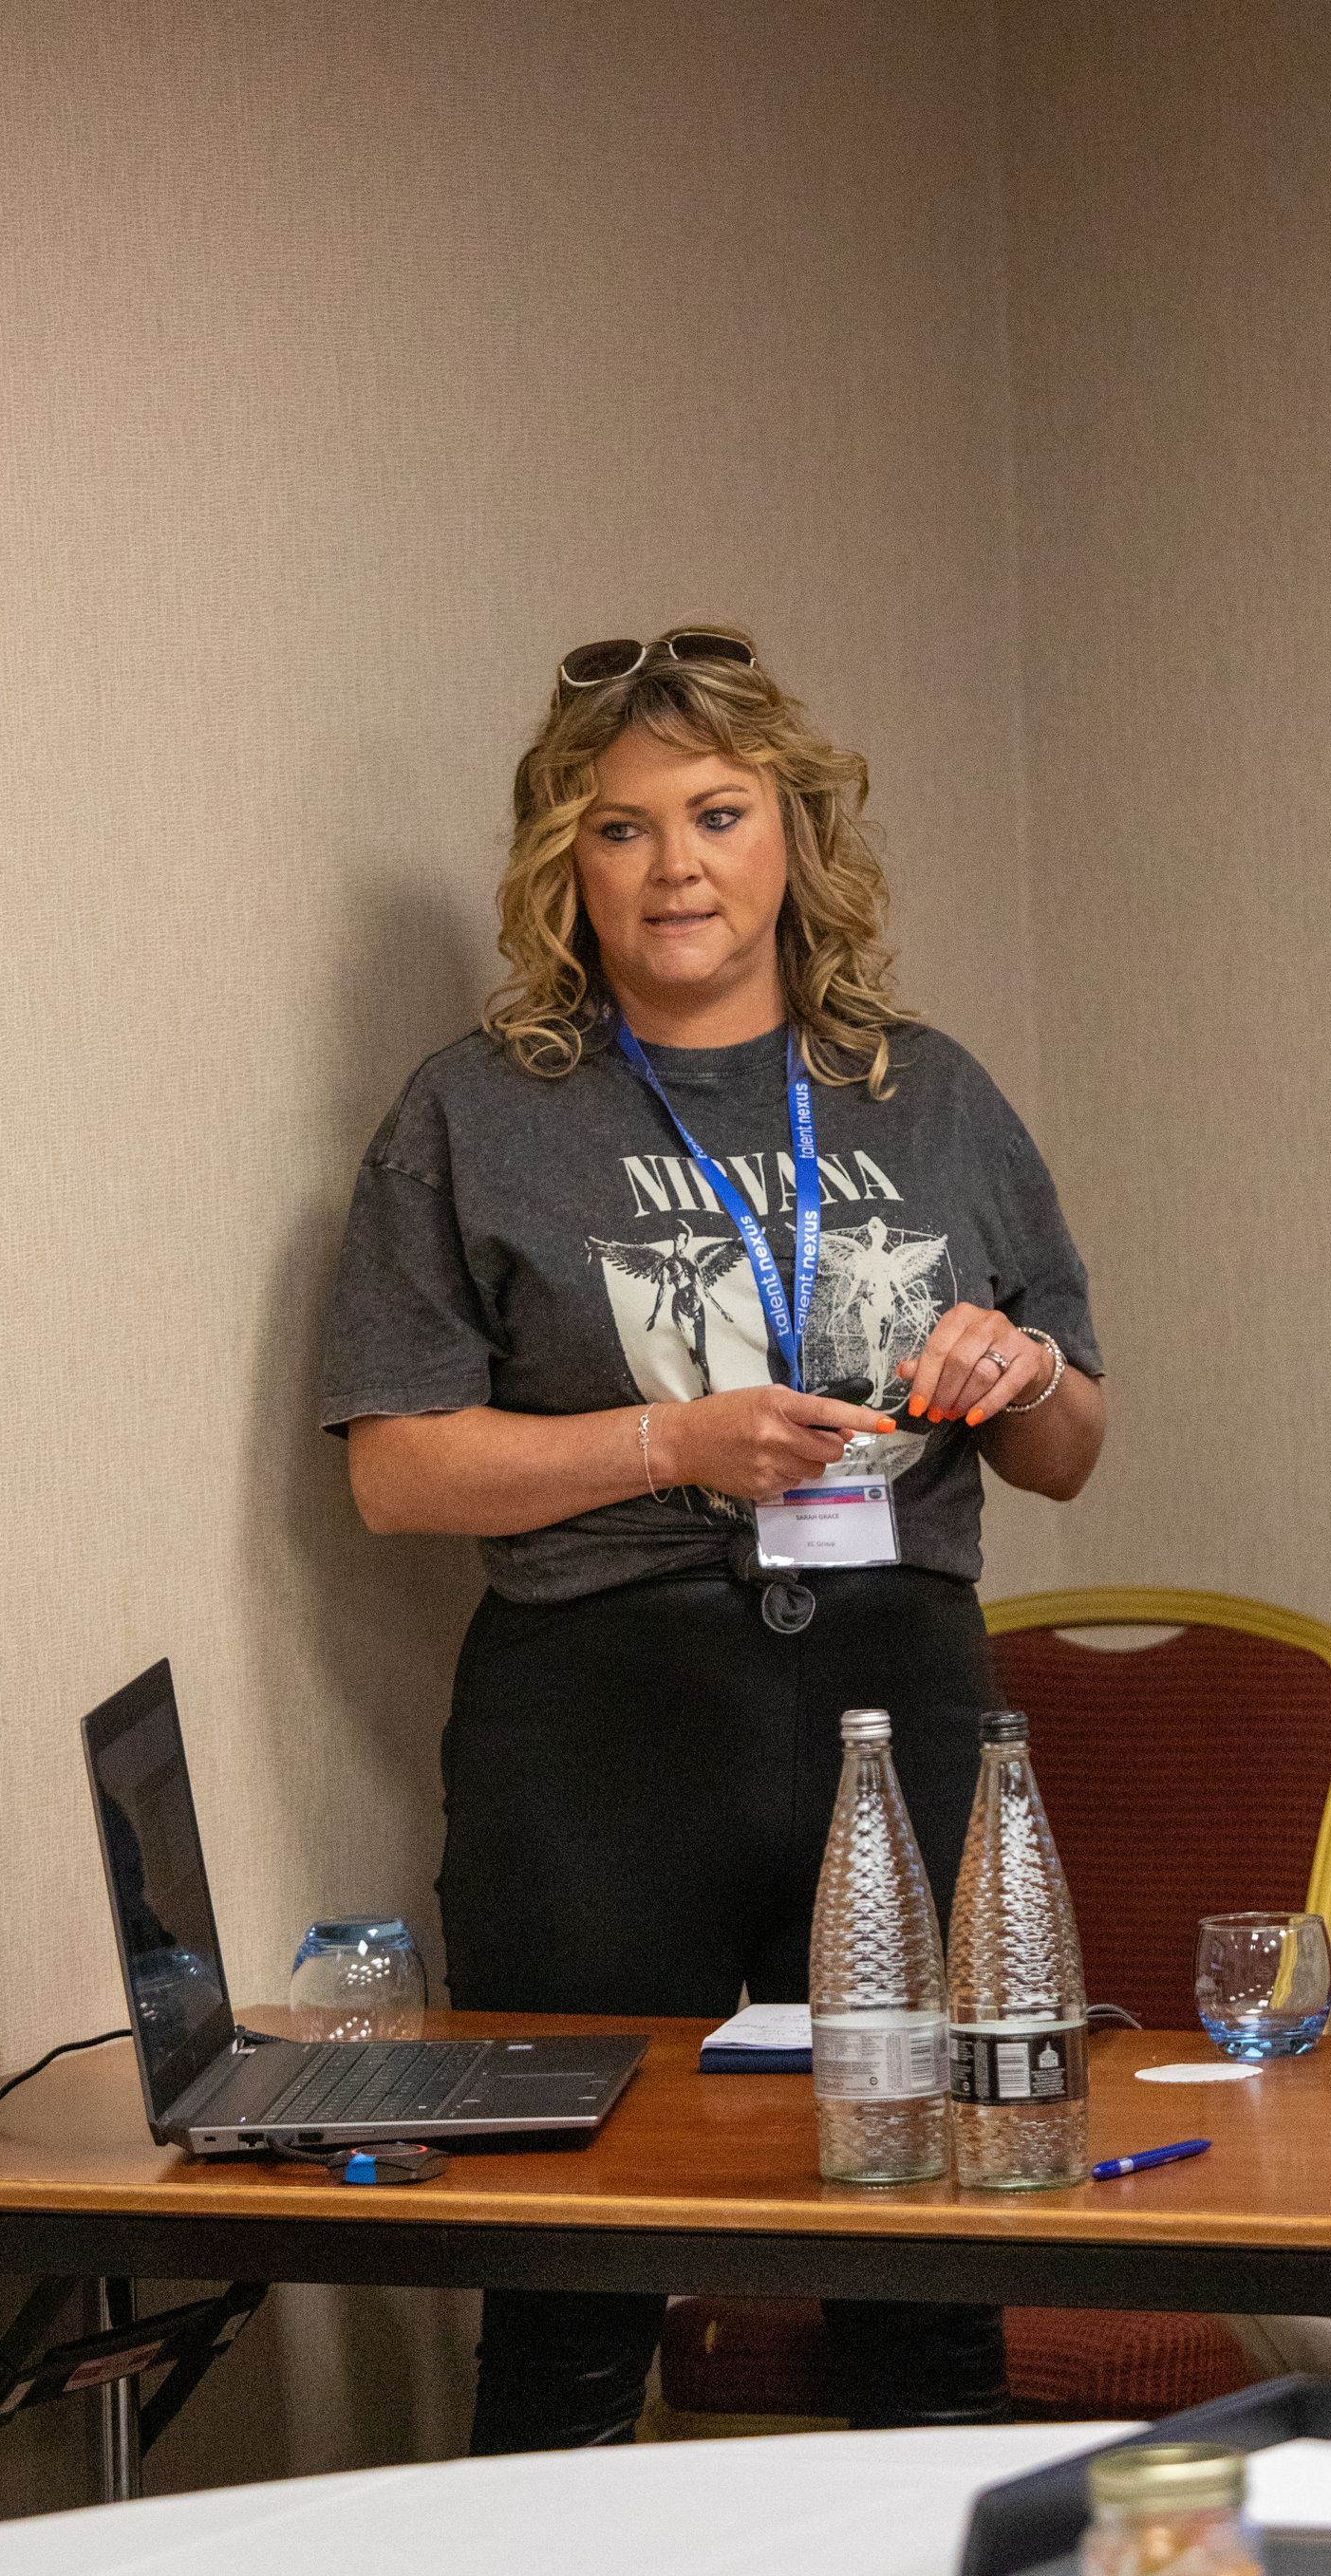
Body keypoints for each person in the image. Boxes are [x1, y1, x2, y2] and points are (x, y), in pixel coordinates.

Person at [320, 624, 1106, 2451]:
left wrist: (1025, 1363)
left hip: (899, 1695)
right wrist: (672, 1440)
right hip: (601, 1723)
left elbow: (1071, 1449)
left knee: (926, 2262)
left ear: (794, 844)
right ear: (559, 870)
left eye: (719, 813)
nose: (674, 865)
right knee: (575, 2283)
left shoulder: (933, 1091)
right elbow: (397, 1473)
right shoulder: (472, 1111)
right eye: (620, 828)